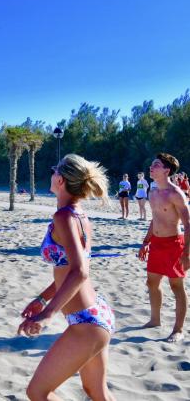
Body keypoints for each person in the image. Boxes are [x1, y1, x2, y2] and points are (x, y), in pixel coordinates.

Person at [17, 154, 115, 400]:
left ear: (60, 180)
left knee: (37, 392)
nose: (51, 175)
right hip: (97, 312)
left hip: (87, 323)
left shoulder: (63, 217)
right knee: (96, 391)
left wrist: (47, 314)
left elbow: (80, 271)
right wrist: (42, 298)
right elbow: (71, 269)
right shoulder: (79, 215)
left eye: (53, 171)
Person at [138, 153, 190, 342]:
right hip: (157, 244)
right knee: (152, 283)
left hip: (174, 244)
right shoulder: (152, 192)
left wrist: (187, 252)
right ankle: (155, 320)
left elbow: (188, 223)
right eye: (152, 164)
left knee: (176, 286)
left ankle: (178, 329)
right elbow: (155, 219)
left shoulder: (176, 193)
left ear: (166, 170)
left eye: (156, 165)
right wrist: (146, 242)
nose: (152, 167)